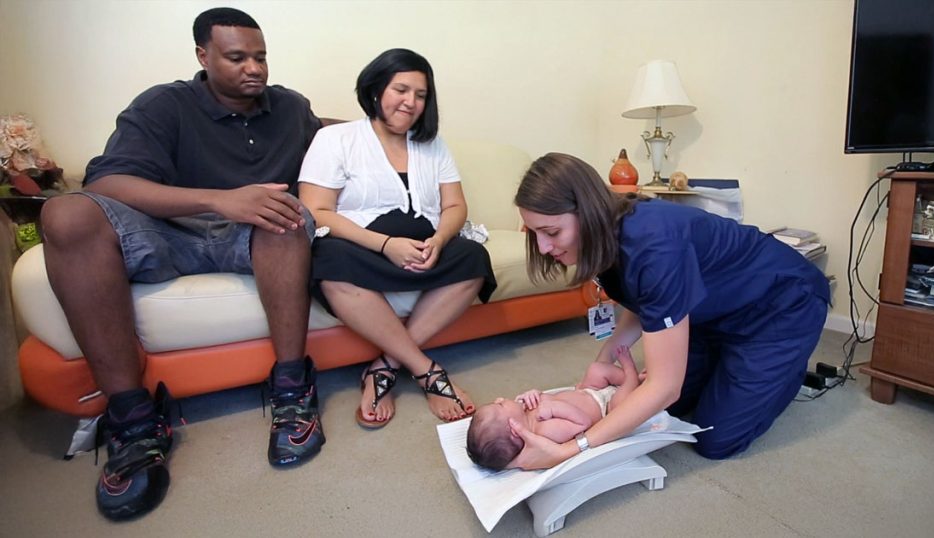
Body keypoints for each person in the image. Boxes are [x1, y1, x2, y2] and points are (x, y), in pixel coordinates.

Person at [39, 7, 330, 520]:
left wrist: (396, 124)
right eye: (237, 57)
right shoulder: (162, 105)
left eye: (260, 56)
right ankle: (132, 419)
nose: (254, 68)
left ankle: (291, 390)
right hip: (168, 234)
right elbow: (105, 183)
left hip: (254, 238)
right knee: (64, 215)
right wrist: (220, 200)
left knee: (285, 215)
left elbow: (337, 143)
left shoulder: (291, 108)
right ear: (203, 55)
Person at [508, 153, 830, 470]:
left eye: (551, 233)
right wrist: (601, 367)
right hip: (708, 316)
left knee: (714, 438)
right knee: (665, 411)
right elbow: (645, 299)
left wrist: (571, 450)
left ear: (587, 213)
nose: (543, 248)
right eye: (533, 233)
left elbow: (665, 386)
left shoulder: (654, 245)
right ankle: (730, 364)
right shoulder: (607, 235)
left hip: (781, 304)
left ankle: (786, 367)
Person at [298, 49, 495, 428]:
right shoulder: (334, 139)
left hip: (424, 246)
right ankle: (427, 371)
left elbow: (455, 205)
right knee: (329, 260)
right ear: (375, 90)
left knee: (472, 257)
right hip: (362, 248)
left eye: (420, 95)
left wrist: (438, 241)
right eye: (401, 89)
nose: (411, 102)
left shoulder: (432, 144)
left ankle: (384, 366)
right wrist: (386, 245)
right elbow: (317, 211)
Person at [466, 345, 640, 470]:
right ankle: (632, 374)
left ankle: (633, 381)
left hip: (589, 391)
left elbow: (547, 396)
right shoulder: (545, 431)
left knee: (595, 369)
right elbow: (583, 423)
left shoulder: (526, 409)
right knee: (623, 404)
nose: (500, 398)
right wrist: (555, 408)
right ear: (514, 429)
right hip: (606, 407)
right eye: (500, 405)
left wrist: (535, 393)